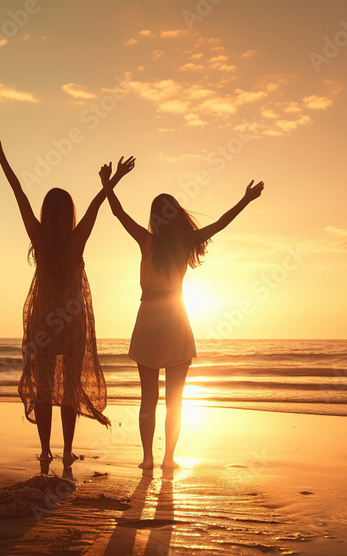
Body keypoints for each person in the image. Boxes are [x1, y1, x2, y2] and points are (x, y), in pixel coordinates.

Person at [0, 132, 135, 464]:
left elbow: (19, 193)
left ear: (46, 213)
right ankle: (66, 452)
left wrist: (1, 156)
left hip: (42, 320)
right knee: (69, 388)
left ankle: (45, 450)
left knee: (44, 388)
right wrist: (113, 180)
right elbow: (96, 206)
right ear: (69, 214)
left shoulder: (38, 237)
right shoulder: (76, 240)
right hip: (72, 322)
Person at [104, 179, 264, 469]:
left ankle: (147, 459)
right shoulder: (184, 243)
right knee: (174, 400)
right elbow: (220, 223)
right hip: (176, 320)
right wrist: (245, 199)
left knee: (148, 398)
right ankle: (168, 459)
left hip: (149, 320)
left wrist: (109, 183)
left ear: (154, 218)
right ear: (178, 216)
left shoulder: (147, 241)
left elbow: (118, 213)